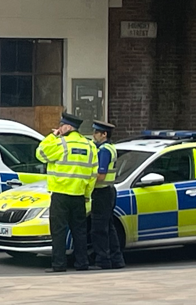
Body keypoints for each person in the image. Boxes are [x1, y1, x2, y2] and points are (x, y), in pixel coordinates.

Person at [36, 113, 98, 273]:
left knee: (58, 231)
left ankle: (59, 265)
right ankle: (82, 263)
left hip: (60, 195)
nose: (59, 128)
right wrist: (86, 194)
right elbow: (93, 174)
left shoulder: (61, 144)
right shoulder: (90, 146)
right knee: (80, 231)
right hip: (79, 196)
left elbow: (40, 153)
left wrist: (52, 135)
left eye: (61, 125)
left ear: (68, 127)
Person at [89, 121, 126, 270]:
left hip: (102, 192)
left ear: (104, 134)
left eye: (96, 133)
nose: (94, 135)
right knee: (109, 227)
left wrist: (86, 180)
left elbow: (101, 175)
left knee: (99, 229)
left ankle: (103, 260)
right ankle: (117, 260)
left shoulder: (104, 150)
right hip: (108, 192)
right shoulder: (110, 148)